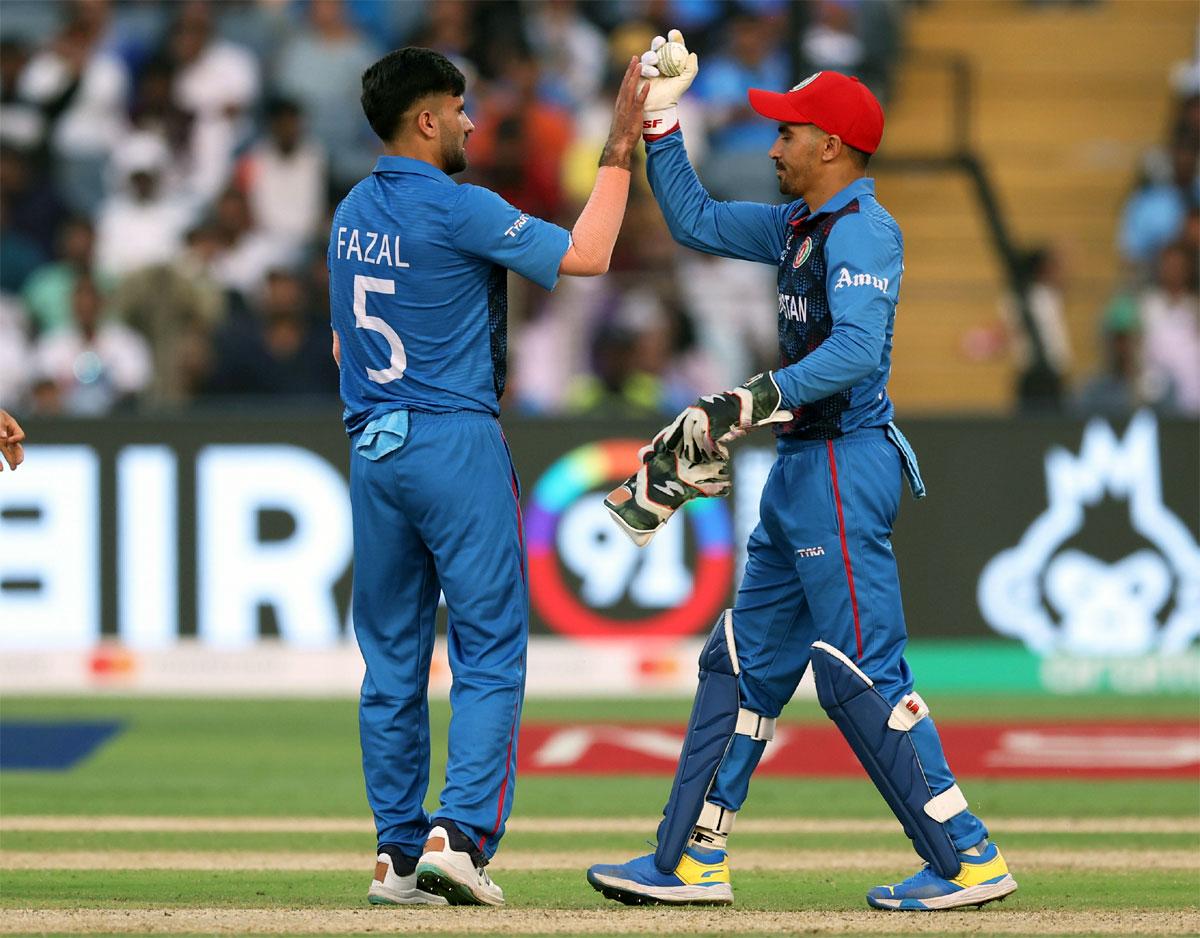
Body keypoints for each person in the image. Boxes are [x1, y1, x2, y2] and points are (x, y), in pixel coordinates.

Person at [587, 32, 1018, 912]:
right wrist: (663, 120)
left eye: (787, 133)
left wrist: (749, 398)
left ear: (831, 146)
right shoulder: (797, 226)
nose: (773, 145)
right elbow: (697, 221)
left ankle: (968, 857)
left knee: (858, 674)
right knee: (740, 664)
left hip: (844, 465)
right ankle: (687, 861)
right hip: (799, 472)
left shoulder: (864, 229)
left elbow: (858, 348)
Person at [330, 47, 647, 908]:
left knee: (391, 661)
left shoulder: (352, 210)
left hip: (373, 449)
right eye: (460, 108)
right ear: (426, 119)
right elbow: (587, 254)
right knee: (490, 650)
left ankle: (397, 857)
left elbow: (340, 346)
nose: (472, 122)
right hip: (453, 441)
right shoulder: (460, 206)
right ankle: (461, 838)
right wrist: (619, 145)